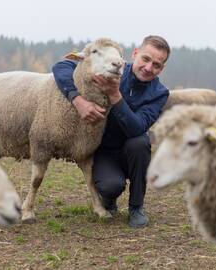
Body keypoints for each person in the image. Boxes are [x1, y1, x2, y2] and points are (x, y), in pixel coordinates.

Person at [52, 35, 170, 228]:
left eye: (156, 65)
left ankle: (136, 207)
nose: (149, 68)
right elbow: (62, 67)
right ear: (134, 54)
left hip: (131, 151)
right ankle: (108, 196)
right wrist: (77, 100)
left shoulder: (159, 93)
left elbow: (136, 128)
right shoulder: (112, 66)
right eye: (145, 59)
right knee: (111, 186)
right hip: (104, 149)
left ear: (161, 69)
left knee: (140, 141)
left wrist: (115, 95)